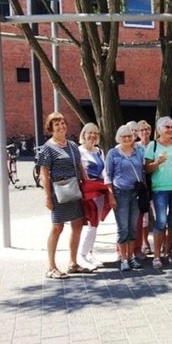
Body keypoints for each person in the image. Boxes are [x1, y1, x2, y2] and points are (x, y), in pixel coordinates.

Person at [39, 112, 89, 279]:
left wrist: (87, 183)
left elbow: (79, 166)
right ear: (51, 128)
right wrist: (47, 196)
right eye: (57, 124)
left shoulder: (73, 145)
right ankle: (51, 267)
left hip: (75, 191)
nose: (61, 127)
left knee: (77, 225)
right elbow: (44, 174)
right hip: (59, 192)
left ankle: (73, 263)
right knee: (57, 227)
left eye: (62, 123)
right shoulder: (48, 148)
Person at [145, 116, 172, 269]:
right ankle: (156, 256)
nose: (170, 129)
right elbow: (146, 168)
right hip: (160, 189)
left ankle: (167, 253)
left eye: (171, 127)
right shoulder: (153, 145)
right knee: (161, 222)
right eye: (167, 127)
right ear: (159, 129)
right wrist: (157, 163)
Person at [105, 125, 146, 271]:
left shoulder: (138, 152)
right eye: (123, 136)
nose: (127, 139)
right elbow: (108, 175)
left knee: (133, 227)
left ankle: (131, 257)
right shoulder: (113, 153)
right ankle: (123, 259)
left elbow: (142, 171)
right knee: (123, 228)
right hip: (120, 192)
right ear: (119, 138)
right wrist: (111, 196)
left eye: (129, 136)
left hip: (135, 193)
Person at [77, 123, 109, 271]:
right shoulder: (79, 151)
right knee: (89, 225)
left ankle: (89, 253)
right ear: (83, 134)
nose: (93, 135)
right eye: (89, 133)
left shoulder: (99, 151)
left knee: (95, 225)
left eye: (95, 133)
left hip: (100, 191)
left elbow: (104, 171)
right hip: (87, 192)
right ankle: (81, 256)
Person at [135, 120, 153, 257]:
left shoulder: (155, 145)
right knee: (143, 215)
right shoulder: (135, 147)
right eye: (142, 130)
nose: (145, 132)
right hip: (142, 183)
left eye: (147, 129)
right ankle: (144, 242)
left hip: (156, 181)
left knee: (159, 215)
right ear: (137, 133)